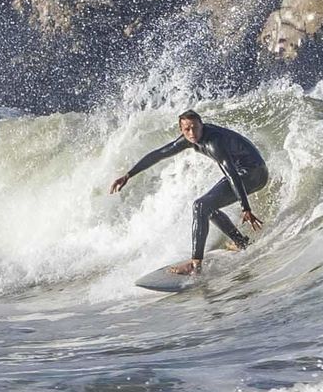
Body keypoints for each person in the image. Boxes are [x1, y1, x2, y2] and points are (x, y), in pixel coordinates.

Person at [112, 109, 267, 275]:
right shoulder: (189, 139)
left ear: (202, 125)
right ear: (181, 130)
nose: (192, 133)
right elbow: (159, 154)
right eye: (187, 129)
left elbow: (230, 173)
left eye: (195, 128)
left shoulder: (213, 142)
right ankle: (241, 243)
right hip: (245, 172)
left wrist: (245, 208)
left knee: (200, 205)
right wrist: (128, 175)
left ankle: (195, 265)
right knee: (206, 207)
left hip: (253, 173)